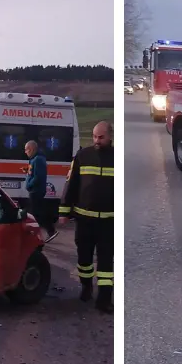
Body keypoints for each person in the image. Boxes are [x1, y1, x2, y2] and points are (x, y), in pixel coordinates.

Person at [59, 121, 114, 314]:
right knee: (84, 259)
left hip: (109, 221)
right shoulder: (83, 156)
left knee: (107, 263)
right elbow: (71, 184)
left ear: (110, 137)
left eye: (101, 137)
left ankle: (105, 299)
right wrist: (64, 212)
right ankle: (86, 287)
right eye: (94, 137)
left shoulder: (117, 158)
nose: (97, 141)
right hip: (84, 220)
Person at [23, 140, 57, 243]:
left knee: (36, 214)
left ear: (32, 149)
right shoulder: (34, 159)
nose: (25, 152)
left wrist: (29, 184)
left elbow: (38, 177)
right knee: (36, 213)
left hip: (36, 190)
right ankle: (43, 233)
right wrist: (27, 171)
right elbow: (33, 173)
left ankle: (48, 232)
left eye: (26, 149)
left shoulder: (38, 159)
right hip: (35, 190)